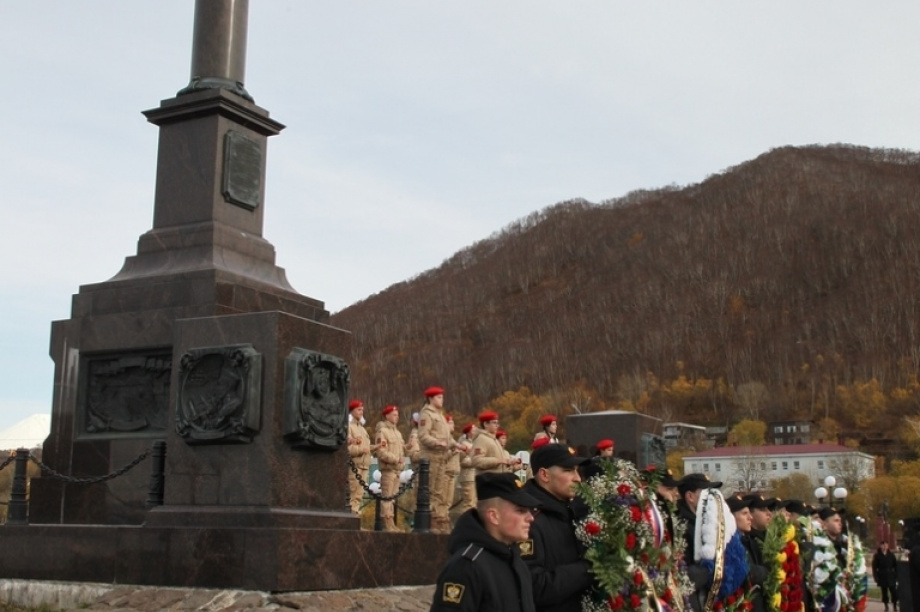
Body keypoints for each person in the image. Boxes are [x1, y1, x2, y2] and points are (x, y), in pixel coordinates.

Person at [429, 472, 541, 612]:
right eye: (520, 511)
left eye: (530, 511)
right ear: (494, 516)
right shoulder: (467, 566)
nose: (530, 518)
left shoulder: (514, 560)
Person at [521, 443, 593, 612]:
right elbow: (534, 586)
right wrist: (588, 569)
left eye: (577, 470)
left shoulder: (569, 510)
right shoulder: (528, 520)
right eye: (568, 470)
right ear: (545, 475)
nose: (577, 478)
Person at [676, 473, 723, 612]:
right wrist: (712, 569)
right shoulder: (682, 527)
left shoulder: (704, 524)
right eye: (706, 493)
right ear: (690, 497)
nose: (712, 497)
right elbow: (683, 574)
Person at [418, 386, 454, 533]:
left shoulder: (440, 415)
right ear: (431, 399)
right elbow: (423, 435)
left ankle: (439, 520)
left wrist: (457, 444)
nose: (441, 400)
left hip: (442, 458)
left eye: (442, 397)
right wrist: (437, 442)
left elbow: (448, 437)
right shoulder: (427, 414)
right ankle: (430, 522)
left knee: (439, 492)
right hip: (431, 457)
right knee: (431, 491)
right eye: (438, 397)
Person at [374, 403, 406, 532]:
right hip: (388, 469)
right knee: (387, 498)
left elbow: (401, 449)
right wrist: (395, 459)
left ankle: (391, 523)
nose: (397, 417)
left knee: (392, 498)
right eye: (394, 415)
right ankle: (387, 524)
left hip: (397, 470)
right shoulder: (383, 431)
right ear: (387, 416)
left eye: (397, 415)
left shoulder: (397, 433)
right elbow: (381, 452)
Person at [346, 400, 373, 516]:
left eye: (362, 410)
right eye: (358, 409)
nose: (361, 412)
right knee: (353, 492)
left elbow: (366, 446)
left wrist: (375, 447)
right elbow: (347, 448)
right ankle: (351, 517)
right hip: (355, 465)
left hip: (364, 465)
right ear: (352, 411)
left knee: (359, 495)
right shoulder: (349, 427)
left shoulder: (362, 429)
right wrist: (360, 450)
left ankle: (355, 516)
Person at [457, 423, 479, 513]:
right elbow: (462, 461)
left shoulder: (474, 443)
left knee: (474, 503)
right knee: (468, 503)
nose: (476, 432)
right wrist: (476, 461)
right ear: (469, 432)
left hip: (474, 476)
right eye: (474, 430)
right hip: (467, 477)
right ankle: (465, 524)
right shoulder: (463, 444)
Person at [873, 540, 899, 611]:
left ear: (888, 546)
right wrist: (876, 577)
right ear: (880, 546)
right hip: (882, 576)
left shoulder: (891, 555)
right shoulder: (877, 556)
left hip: (891, 575)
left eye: (886, 545)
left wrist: (896, 576)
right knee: (884, 592)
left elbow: (896, 566)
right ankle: (886, 606)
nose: (884, 546)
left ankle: (895, 606)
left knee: (894, 592)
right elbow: (874, 567)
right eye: (883, 545)